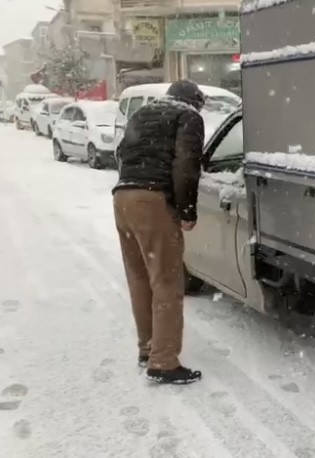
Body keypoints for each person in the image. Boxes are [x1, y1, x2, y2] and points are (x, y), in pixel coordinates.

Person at [112, 80, 205, 385]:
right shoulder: (188, 116)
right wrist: (187, 210)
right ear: (194, 101)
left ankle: (147, 347)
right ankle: (164, 362)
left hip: (123, 197)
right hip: (152, 199)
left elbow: (121, 152)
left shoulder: (141, 114)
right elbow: (186, 164)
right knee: (166, 280)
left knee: (139, 277)